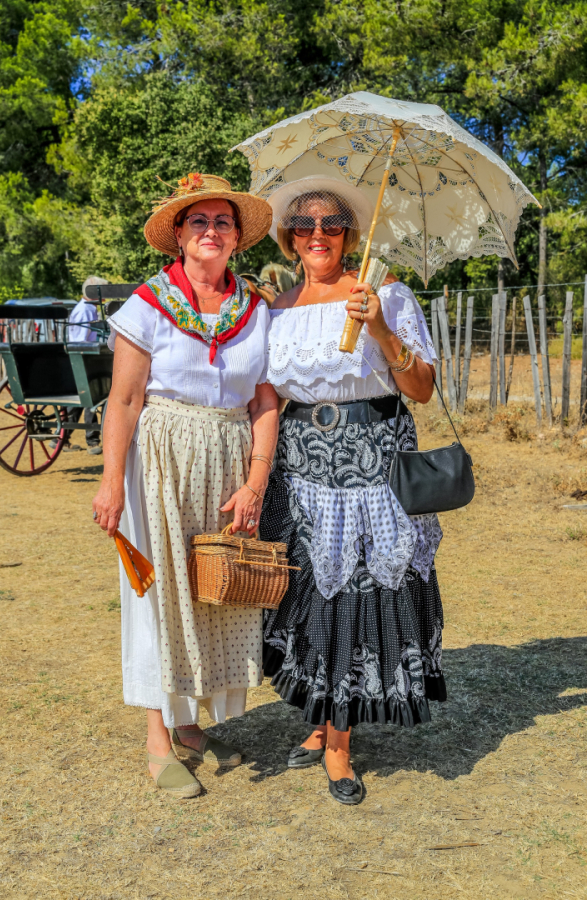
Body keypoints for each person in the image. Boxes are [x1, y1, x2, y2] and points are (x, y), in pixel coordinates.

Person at [260, 176, 445, 805]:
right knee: (310, 598)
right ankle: (321, 719)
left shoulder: (385, 296)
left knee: (356, 599)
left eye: (332, 224)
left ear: (349, 234)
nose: (318, 235)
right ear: (289, 238)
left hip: (371, 467)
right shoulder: (275, 310)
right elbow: (265, 397)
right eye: (305, 225)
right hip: (300, 468)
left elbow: (420, 389)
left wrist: (380, 333)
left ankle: (339, 746)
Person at [92, 173, 278, 799]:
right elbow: (122, 401)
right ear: (178, 234)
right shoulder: (148, 305)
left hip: (228, 458)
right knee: (159, 590)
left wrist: (256, 480)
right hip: (162, 456)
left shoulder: (255, 309)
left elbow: (264, 400)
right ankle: (156, 737)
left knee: (213, 591)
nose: (211, 231)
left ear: (237, 238)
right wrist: (111, 483)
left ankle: (192, 724)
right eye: (198, 221)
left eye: (222, 222)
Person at [62, 276, 109, 454]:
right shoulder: (86, 310)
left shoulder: (85, 308)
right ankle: (92, 441)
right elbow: (81, 339)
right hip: (85, 356)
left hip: (82, 355)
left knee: (80, 400)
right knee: (94, 397)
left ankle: (63, 437)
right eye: (102, 292)